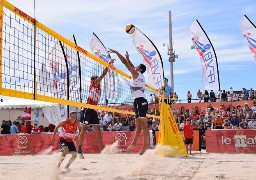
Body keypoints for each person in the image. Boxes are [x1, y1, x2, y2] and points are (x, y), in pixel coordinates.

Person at [110, 49, 149, 155]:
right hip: (137, 101)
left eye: (137, 66)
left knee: (143, 123)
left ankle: (146, 144)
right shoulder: (138, 75)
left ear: (139, 69)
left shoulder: (137, 74)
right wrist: (128, 58)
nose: (134, 67)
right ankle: (135, 142)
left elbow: (126, 64)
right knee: (138, 124)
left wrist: (117, 53)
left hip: (141, 101)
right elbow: (130, 65)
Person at [78, 59, 115, 159]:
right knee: (84, 129)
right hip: (87, 109)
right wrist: (108, 65)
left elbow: (102, 76)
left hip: (93, 110)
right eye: (97, 78)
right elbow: (103, 74)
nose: (99, 80)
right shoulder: (94, 83)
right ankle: (79, 149)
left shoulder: (98, 87)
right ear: (93, 80)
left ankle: (102, 149)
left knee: (97, 129)